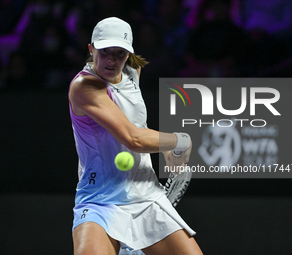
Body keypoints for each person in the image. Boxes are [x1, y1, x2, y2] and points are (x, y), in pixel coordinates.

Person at [68, 17, 203, 255]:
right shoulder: (84, 87)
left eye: (119, 53)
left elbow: (138, 124)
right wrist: (181, 140)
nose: (111, 60)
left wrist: (165, 146)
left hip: (146, 196)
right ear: (91, 49)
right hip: (101, 200)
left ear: (129, 54)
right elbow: (134, 138)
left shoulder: (132, 72)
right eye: (104, 51)